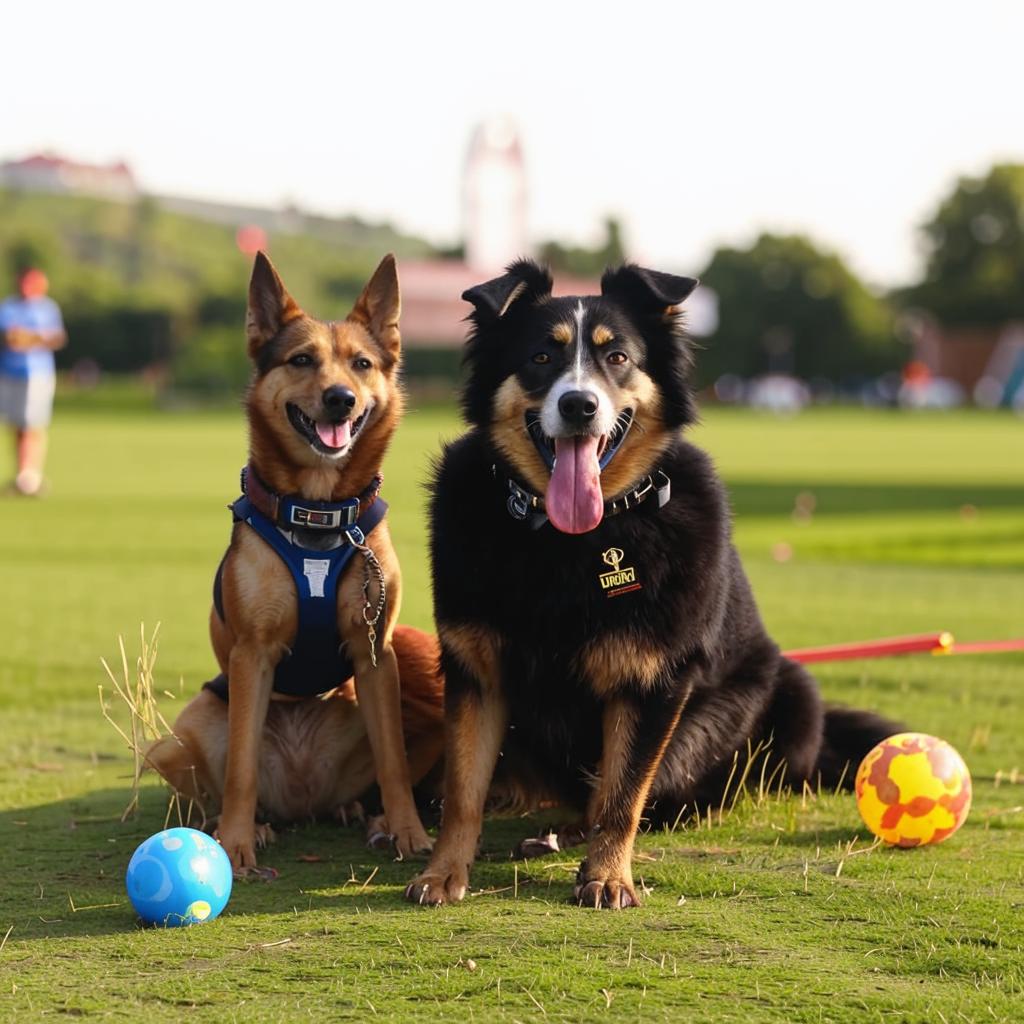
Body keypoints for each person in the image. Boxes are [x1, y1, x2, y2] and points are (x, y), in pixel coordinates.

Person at [0, 268, 66, 495]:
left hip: (38, 373)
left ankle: (30, 476)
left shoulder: (48, 308)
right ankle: (23, 474)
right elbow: (10, 338)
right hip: (10, 372)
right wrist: (37, 337)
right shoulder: (9, 306)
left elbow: (56, 338)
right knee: (17, 425)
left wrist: (29, 337)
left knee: (33, 425)